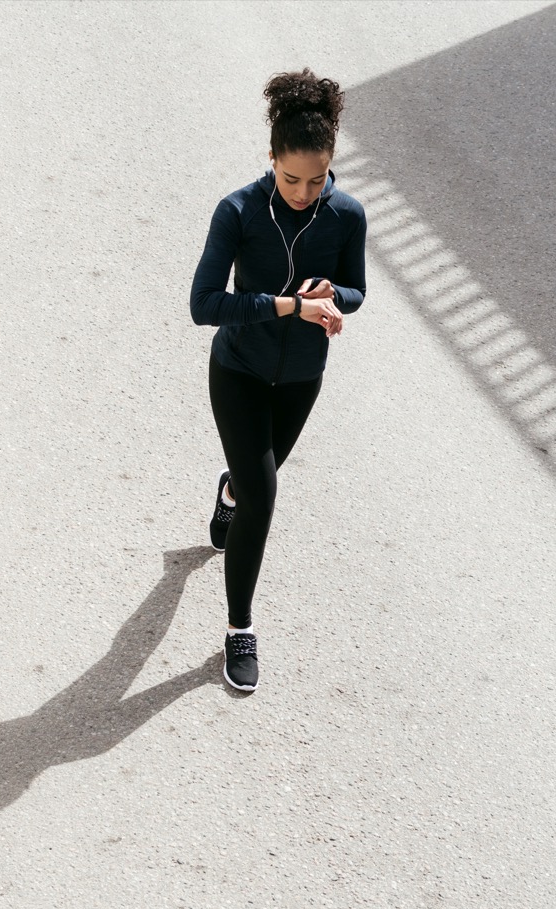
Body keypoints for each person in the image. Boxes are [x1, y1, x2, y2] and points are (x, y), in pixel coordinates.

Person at [189, 68, 368, 692]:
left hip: (301, 379)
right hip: (237, 368)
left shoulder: (346, 215)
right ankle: (240, 627)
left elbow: (357, 290)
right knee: (267, 497)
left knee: (253, 483)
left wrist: (333, 294)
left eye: (316, 179)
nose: (303, 191)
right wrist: (288, 305)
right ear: (270, 158)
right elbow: (204, 304)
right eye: (291, 178)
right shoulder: (237, 210)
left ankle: (231, 490)